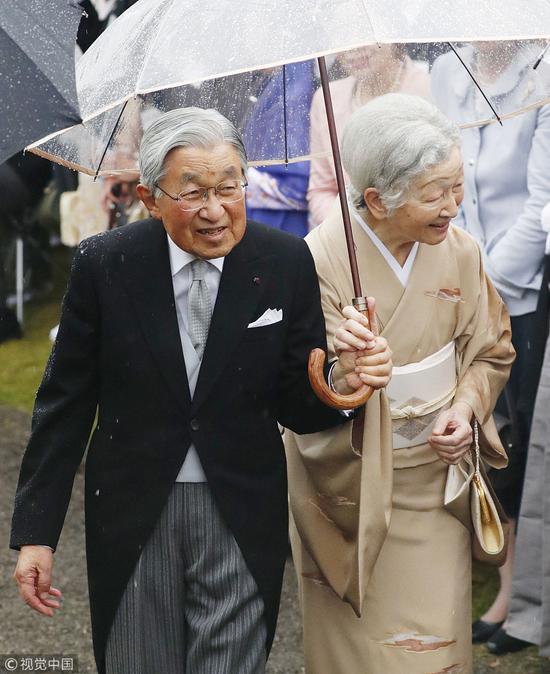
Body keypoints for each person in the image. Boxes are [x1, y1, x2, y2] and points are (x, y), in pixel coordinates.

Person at [9, 107, 392, 674]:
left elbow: (299, 403)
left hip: (240, 503)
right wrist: (36, 534)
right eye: (193, 192)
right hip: (135, 508)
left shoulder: (284, 262)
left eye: (229, 186)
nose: (216, 210)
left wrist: (346, 383)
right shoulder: (106, 264)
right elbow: (65, 404)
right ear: (149, 196)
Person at [284, 93, 514, 674]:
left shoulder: (460, 253)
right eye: (434, 192)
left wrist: (465, 409)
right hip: (355, 488)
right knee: (358, 653)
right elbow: (303, 381)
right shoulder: (319, 259)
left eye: (457, 186)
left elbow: (491, 351)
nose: (452, 206)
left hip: (435, 481)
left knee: (434, 646)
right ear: (374, 200)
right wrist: (351, 374)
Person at [431, 41, 550, 645]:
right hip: (461, 281)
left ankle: (519, 593)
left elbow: (543, 201)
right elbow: (441, 177)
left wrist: (485, 282)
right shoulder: (447, 69)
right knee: (480, 426)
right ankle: (499, 566)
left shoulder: (544, 69)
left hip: (525, 288)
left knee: (525, 436)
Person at [489, 210, 550, 655]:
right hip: (500, 285)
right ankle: (515, 594)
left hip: (518, 283)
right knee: (513, 449)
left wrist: (478, 275)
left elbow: (540, 205)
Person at [307, 44, 430, 228]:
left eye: (361, 35)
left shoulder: (429, 88)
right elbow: (322, 191)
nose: (352, 49)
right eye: (343, 39)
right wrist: (353, 230)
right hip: (350, 238)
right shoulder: (326, 99)